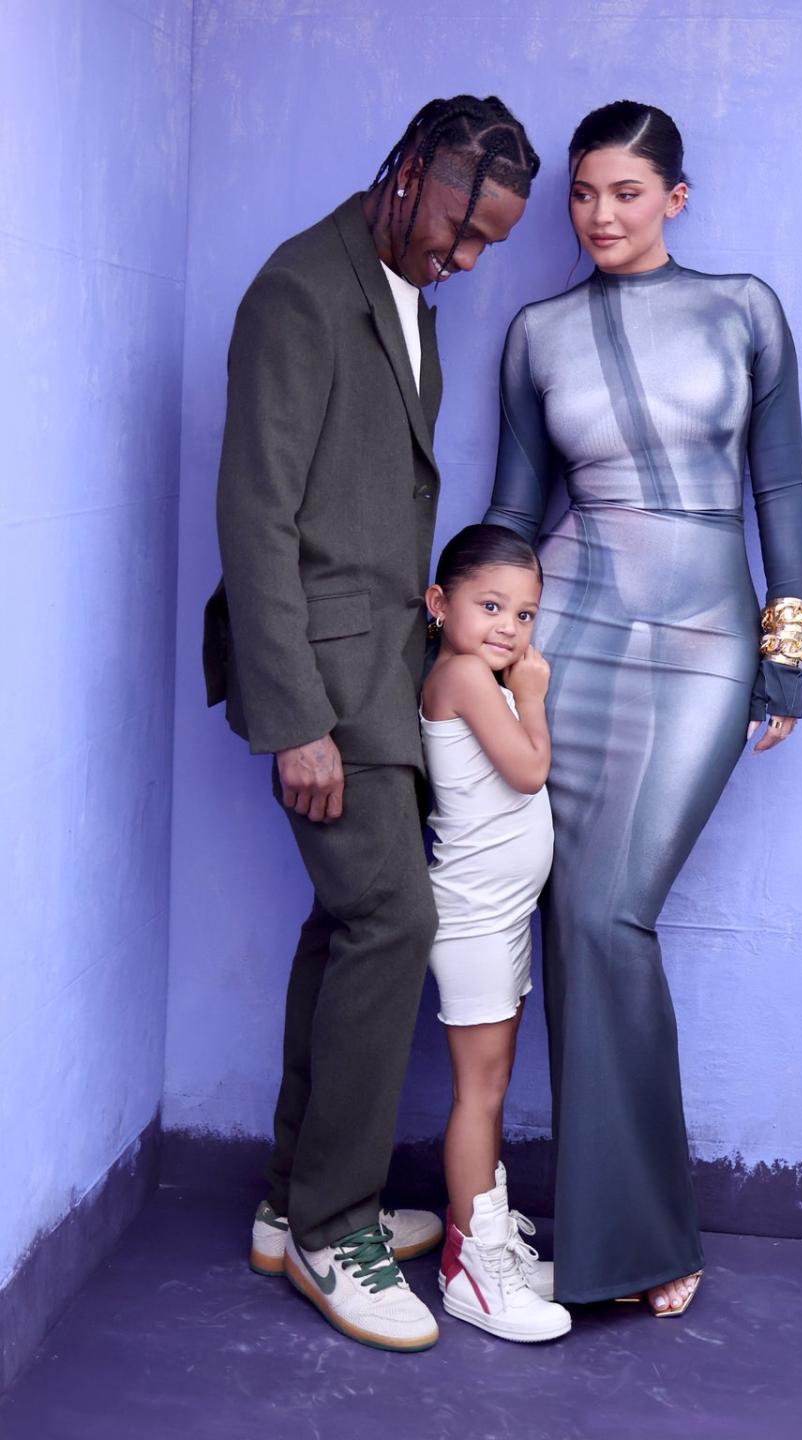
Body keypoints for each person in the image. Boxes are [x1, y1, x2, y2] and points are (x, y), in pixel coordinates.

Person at [202, 96, 539, 1352]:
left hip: (382, 673)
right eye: (461, 226)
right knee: (394, 915)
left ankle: (294, 1205)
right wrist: (294, 721)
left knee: (350, 923)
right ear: (410, 171)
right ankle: (336, 1226)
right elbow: (258, 520)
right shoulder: (300, 290)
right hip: (319, 684)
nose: (463, 259)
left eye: (486, 247)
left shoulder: (409, 297)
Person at [485, 101, 802, 1314]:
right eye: (584, 194)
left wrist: (789, 647)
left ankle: (638, 1233)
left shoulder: (744, 310)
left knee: (613, 910)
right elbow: (515, 514)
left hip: (705, 639)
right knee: (572, 916)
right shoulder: (537, 332)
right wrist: (473, 651)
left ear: (676, 196)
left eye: (627, 192)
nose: (601, 215)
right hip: (567, 633)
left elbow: (777, 483)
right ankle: (617, 1236)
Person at [420, 524, 571, 1342]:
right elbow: (527, 771)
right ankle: (476, 1274)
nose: (510, 628)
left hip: (500, 915)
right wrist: (535, 697)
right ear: (440, 605)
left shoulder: (482, 672)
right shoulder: (467, 676)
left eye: (525, 614)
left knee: (493, 1085)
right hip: (475, 918)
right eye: (490, 606)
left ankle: (476, 1241)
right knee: (478, 1092)